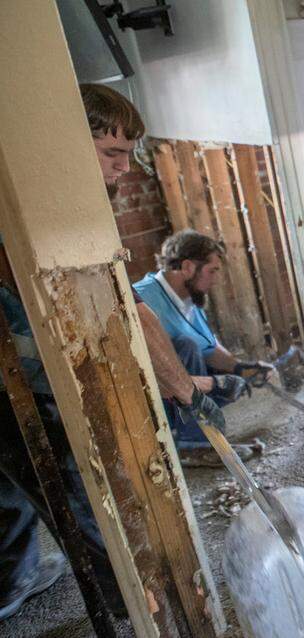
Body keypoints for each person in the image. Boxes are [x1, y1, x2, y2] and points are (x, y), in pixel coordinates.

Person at [0, 83, 227, 620]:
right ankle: (136, 609)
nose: (124, 169)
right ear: (67, 146)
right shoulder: (41, 213)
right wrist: (185, 391)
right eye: (111, 154)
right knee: (84, 504)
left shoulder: (52, 204)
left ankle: (16, 577)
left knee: (16, 496)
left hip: (28, 378)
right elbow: (127, 314)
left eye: (127, 155)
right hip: (23, 390)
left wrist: (197, 384)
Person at [133, 230, 272, 451]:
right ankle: (194, 443)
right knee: (186, 346)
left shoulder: (187, 299)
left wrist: (242, 369)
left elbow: (208, 348)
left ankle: (202, 437)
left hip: (182, 388)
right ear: (188, 267)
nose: (216, 280)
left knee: (224, 375)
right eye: (212, 271)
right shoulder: (145, 297)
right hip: (151, 396)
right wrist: (217, 383)